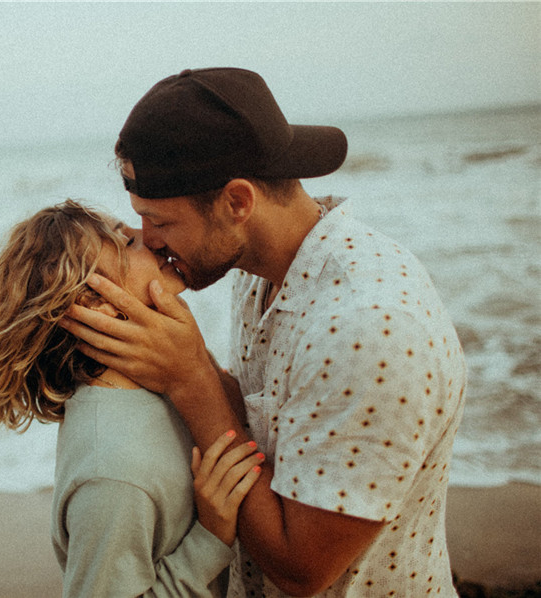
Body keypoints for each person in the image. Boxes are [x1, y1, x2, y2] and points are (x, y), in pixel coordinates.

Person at [60, 68, 467, 597]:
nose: (149, 240)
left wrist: (190, 379)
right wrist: (186, 361)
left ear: (237, 203)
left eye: (160, 221)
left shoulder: (367, 332)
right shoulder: (260, 272)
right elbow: (260, 417)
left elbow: (302, 571)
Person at [0, 199, 264, 597]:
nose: (153, 238)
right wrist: (209, 538)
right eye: (128, 242)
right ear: (95, 305)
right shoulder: (111, 472)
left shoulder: (169, 377)